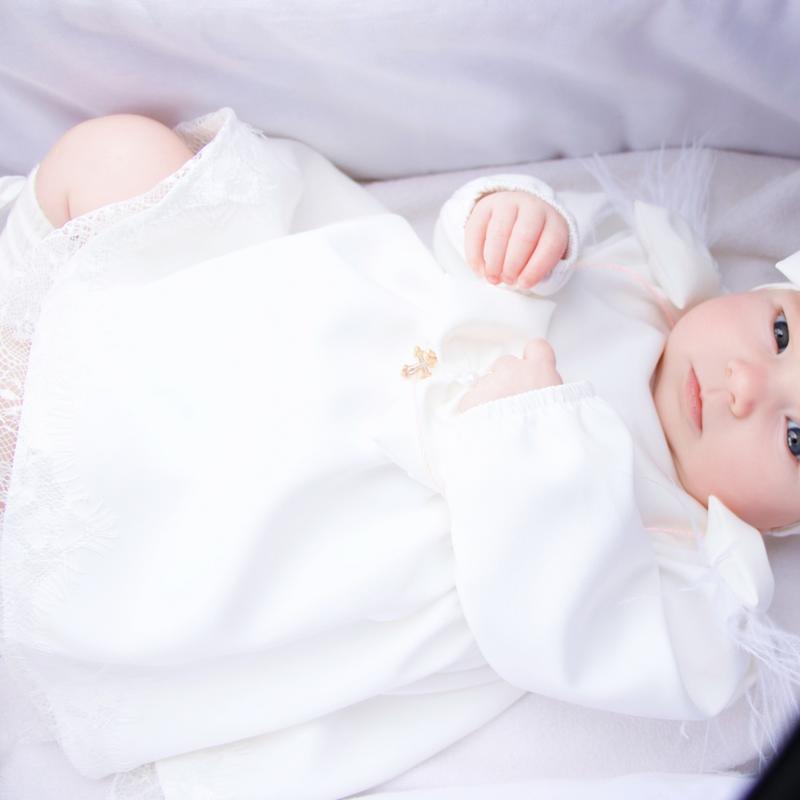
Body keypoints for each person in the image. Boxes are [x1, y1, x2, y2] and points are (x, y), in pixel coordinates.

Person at [0, 107, 796, 800]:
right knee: (122, 162)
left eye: (797, 437)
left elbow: (563, 631)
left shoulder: (695, 570)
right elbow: (475, 244)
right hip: (318, 334)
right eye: (781, 334)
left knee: (149, 537)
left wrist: (527, 450)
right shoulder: (644, 274)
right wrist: (514, 219)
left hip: (339, 533)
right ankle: (45, 372)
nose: (743, 386)